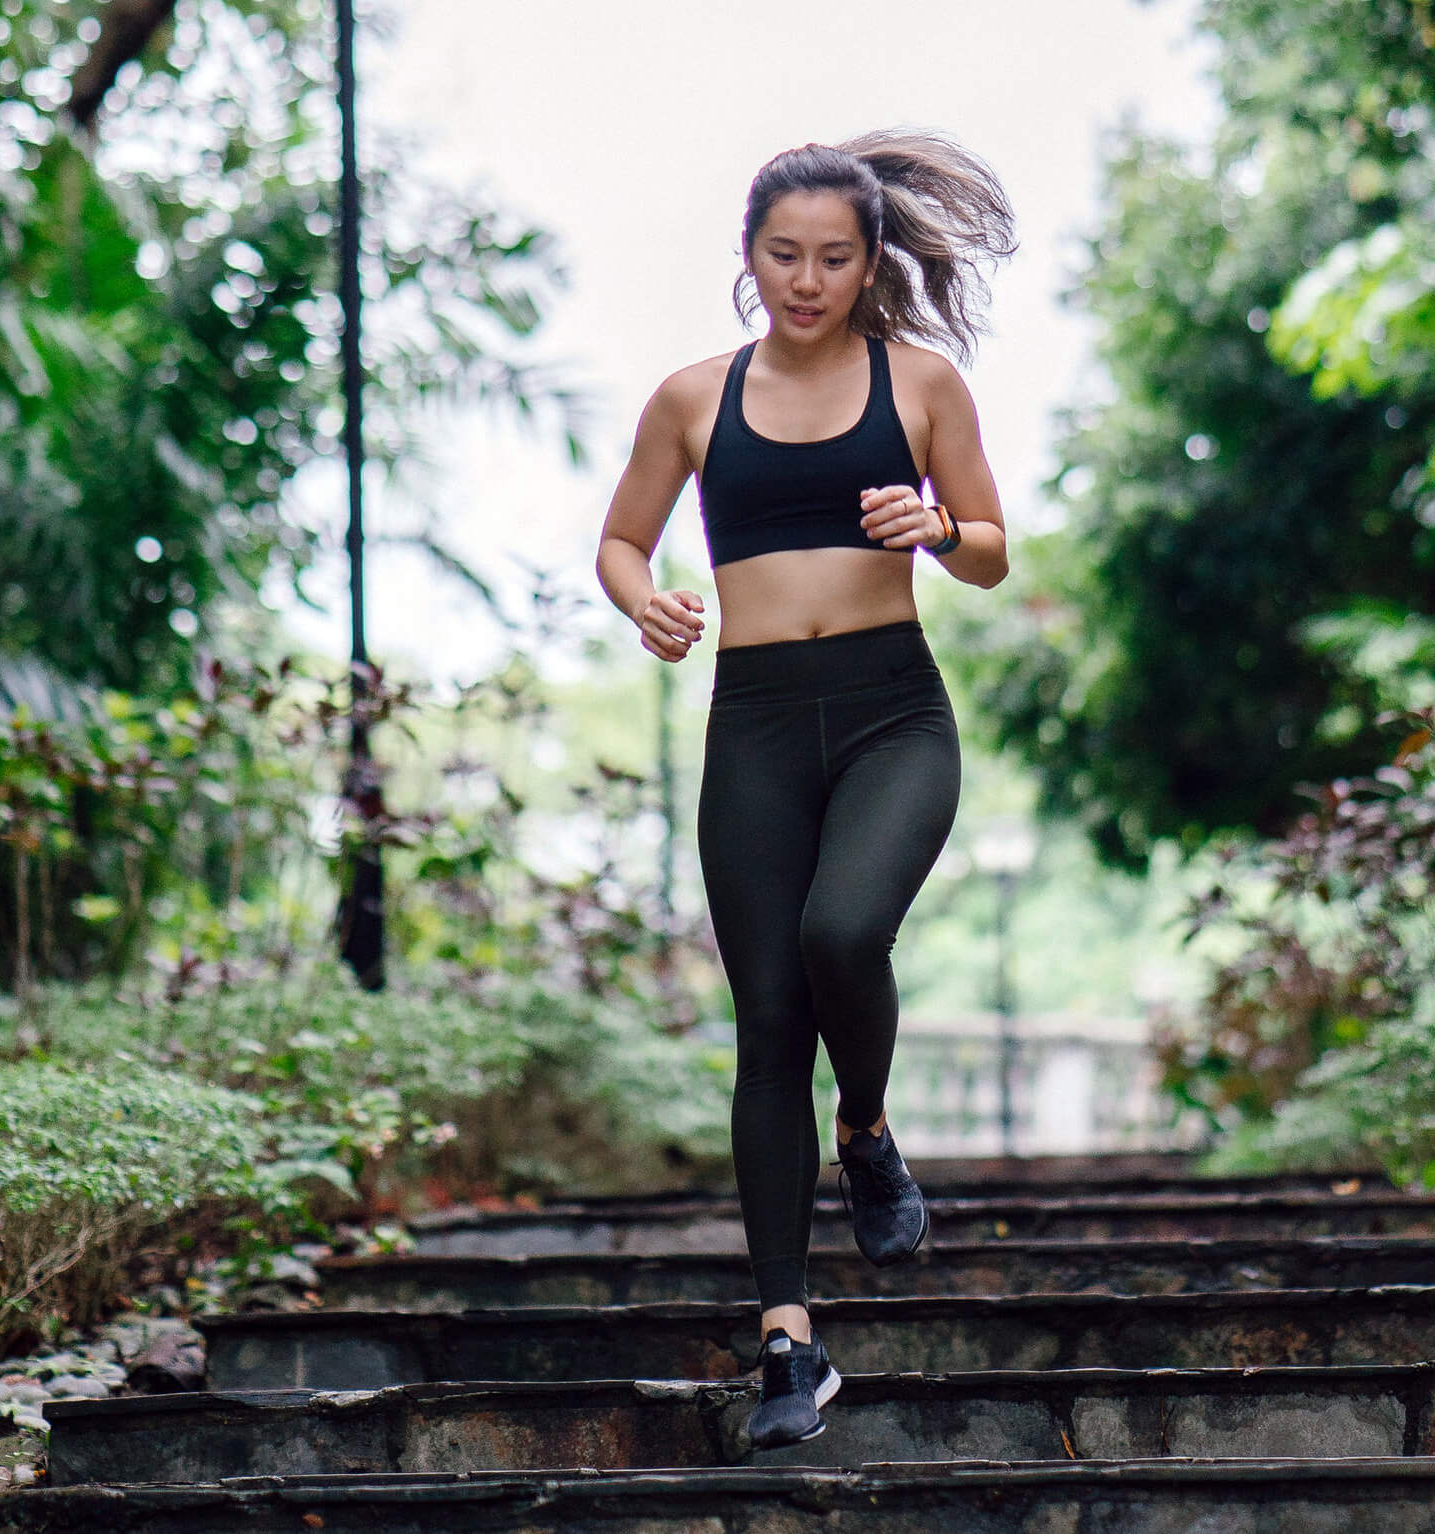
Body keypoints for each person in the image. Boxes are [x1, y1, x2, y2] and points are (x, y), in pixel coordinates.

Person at [594, 129, 1015, 1449]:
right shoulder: (693, 399)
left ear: (870, 260)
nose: (809, 278)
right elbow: (619, 538)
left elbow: (996, 549)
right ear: (748, 256)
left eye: (835, 256)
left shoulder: (925, 383)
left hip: (895, 712)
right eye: (785, 254)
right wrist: (646, 604)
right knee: (769, 1017)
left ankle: (871, 1127)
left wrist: (939, 531)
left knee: (842, 932)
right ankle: (788, 1341)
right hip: (757, 724)